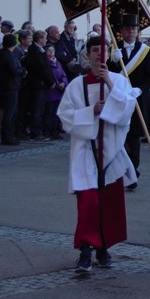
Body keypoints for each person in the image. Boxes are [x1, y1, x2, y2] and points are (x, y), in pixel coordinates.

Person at [57, 35, 139, 274]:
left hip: (111, 150)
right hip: (85, 149)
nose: (99, 55)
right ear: (88, 54)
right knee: (88, 201)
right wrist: (91, 111)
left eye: (103, 51)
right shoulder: (77, 84)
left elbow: (127, 110)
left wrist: (111, 87)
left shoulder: (118, 81)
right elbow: (65, 115)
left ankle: (103, 248)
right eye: (95, 51)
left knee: (108, 203)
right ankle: (85, 250)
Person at [114, 14, 150, 183]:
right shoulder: (114, 50)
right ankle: (120, 169)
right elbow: (110, 75)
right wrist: (114, 62)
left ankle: (133, 170)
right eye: (127, 29)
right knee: (119, 136)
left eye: (133, 29)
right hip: (119, 99)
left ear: (137, 32)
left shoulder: (145, 50)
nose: (130, 32)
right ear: (122, 32)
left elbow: (149, 76)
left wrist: (140, 90)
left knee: (134, 136)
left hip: (137, 98)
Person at [0, 34, 23, 145]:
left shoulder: (1, 53)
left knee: (9, 112)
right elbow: (14, 70)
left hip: (5, 85)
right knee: (10, 113)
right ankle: (8, 137)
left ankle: (7, 136)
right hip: (11, 86)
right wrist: (23, 71)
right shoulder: (9, 55)